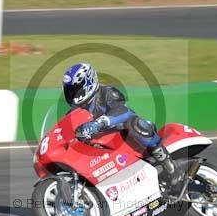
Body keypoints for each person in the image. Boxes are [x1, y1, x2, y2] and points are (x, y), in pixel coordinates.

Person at [62, 62, 185, 196]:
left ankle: (171, 168)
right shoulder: (73, 113)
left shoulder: (106, 93)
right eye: (69, 90)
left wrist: (97, 124)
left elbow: (124, 112)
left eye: (75, 88)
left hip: (129, 139)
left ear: (88, 81)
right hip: (103, 152)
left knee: (133, 124)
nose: (72, 93)